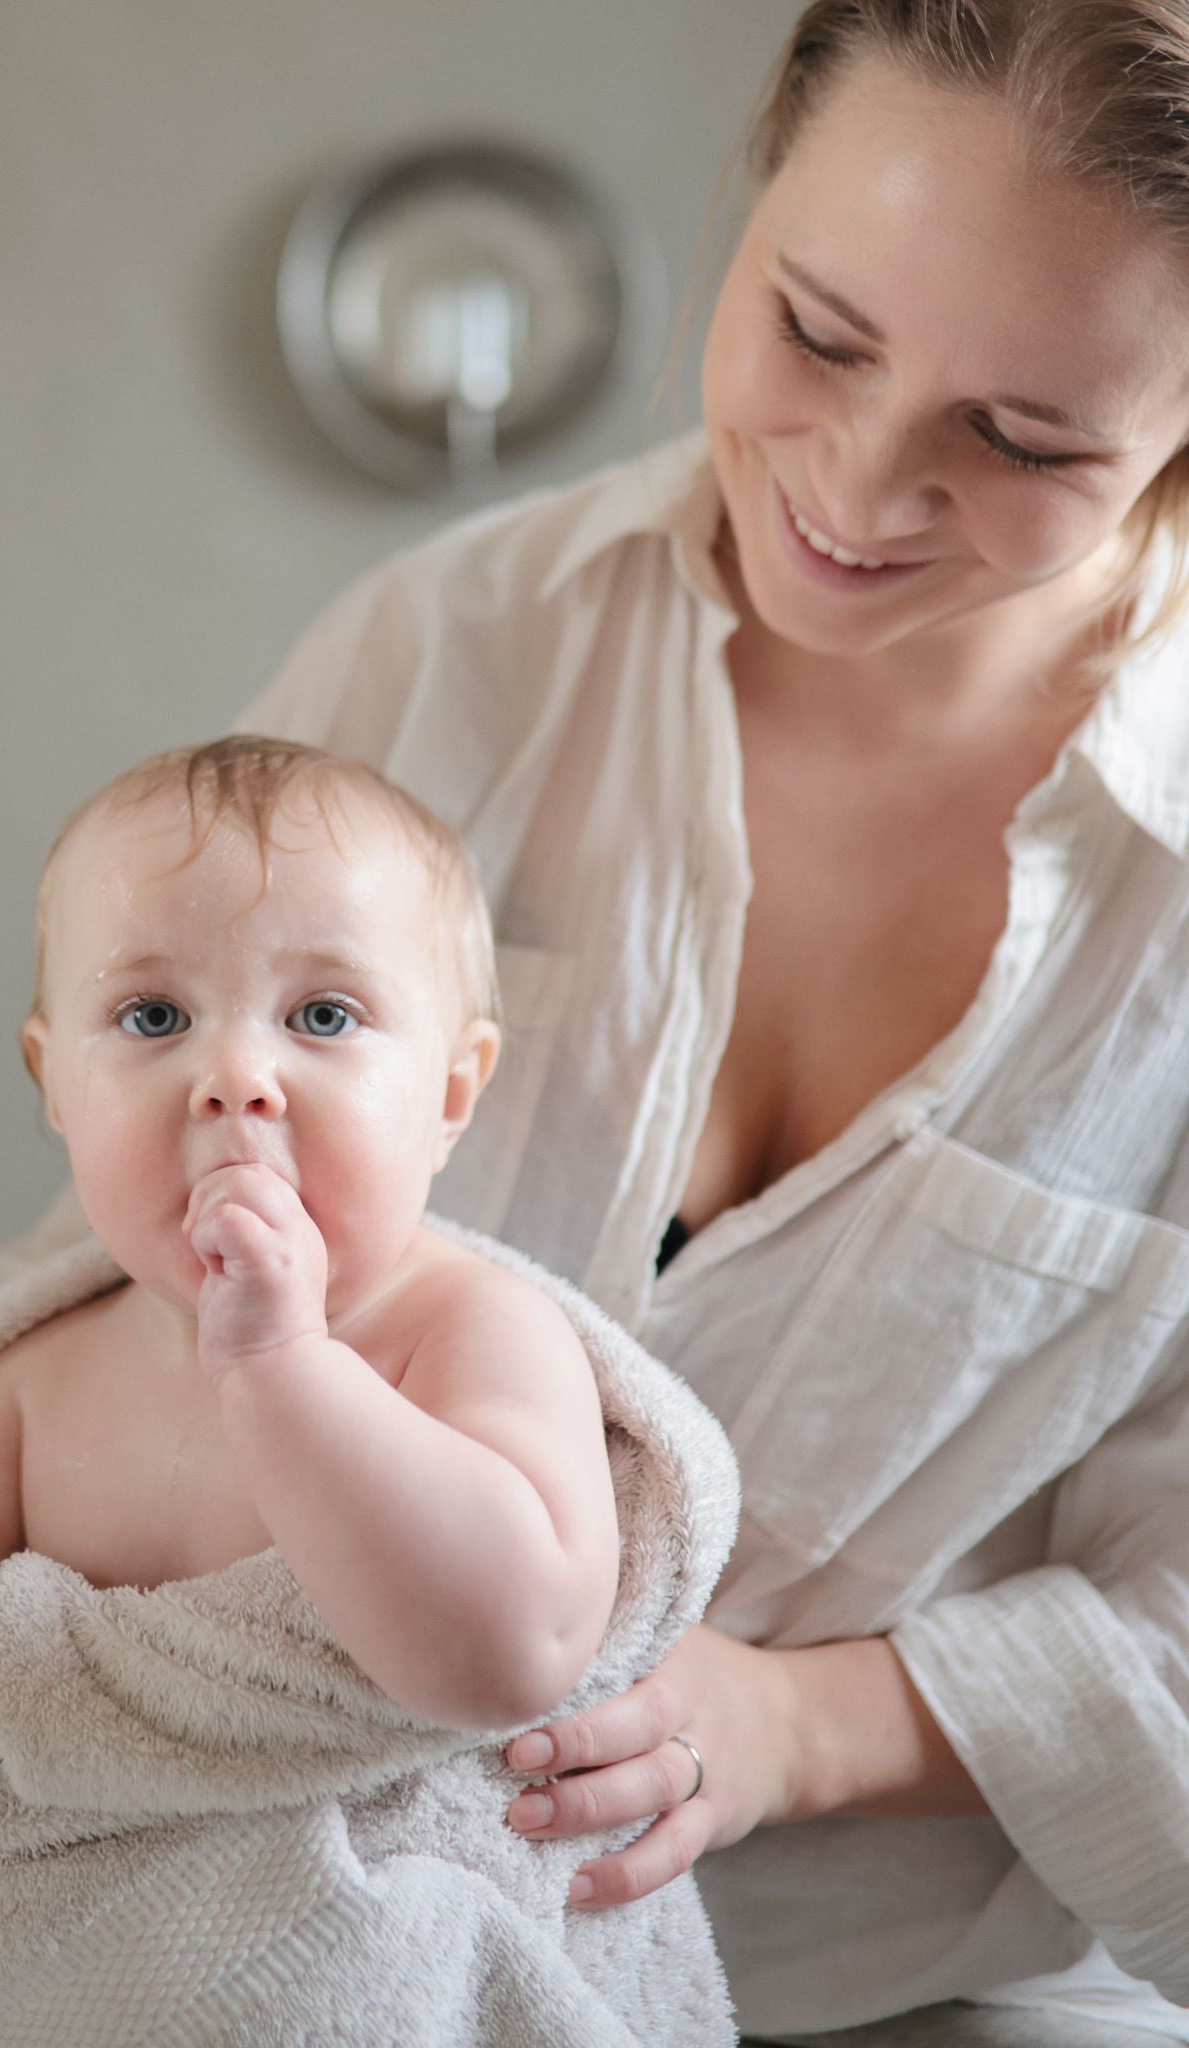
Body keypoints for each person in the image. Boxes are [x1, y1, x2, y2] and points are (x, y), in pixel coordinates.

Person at [198, 4, 1189, 2041]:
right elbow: (120, 1277)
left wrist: (795, 1729)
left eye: (1023, 441)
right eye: (818, 332)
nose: (858, 485)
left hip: (929, 1973)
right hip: (322, 1913)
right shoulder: (445, 657)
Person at [0, 738, 747, 2048]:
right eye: (152, 1018)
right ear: (55, 1086)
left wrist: (283, 1369)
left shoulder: (472, 1334)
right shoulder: (33, 1392)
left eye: (323, 1017)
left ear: (449, 1093)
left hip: (386, 1963)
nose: (234, 1076)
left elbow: (511, 1654)